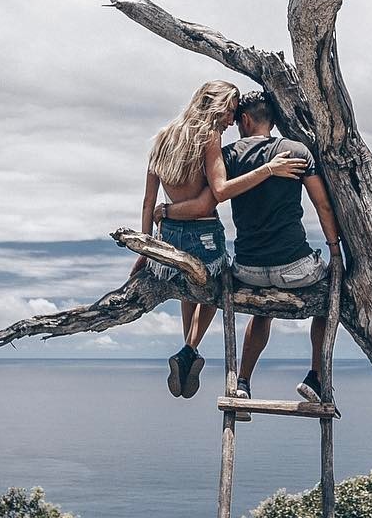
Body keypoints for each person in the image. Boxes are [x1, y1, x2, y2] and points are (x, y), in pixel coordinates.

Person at [162, 90, 341, 414]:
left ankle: (242, 383)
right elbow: (323, 204)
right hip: (295, 268)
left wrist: (165, 211)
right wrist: (333, 249)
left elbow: (207, 200)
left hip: (248, 269)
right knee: (329, 296)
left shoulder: (228, 155)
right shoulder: (295, 151)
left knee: (261, 310)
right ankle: (316, 376)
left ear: (245, 119)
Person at [136, 81, 307, 399]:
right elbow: (214, 197)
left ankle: (189, 349)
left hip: (169, 236)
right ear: (213, 106)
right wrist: (269, 168)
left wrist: (147, 247)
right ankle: (189, 348)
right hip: (204, 234)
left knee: (189, 286)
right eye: (229, 111)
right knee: (214, 286)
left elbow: (148, 203)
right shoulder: (209, 137)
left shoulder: (161, 138)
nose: (231, 120)